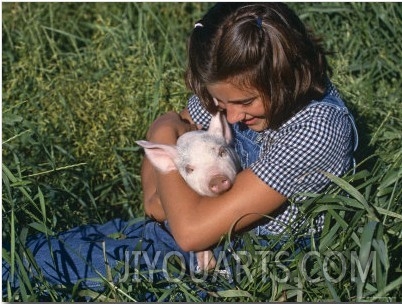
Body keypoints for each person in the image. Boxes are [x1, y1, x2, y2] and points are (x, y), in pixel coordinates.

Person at [2, 2, 358, 299]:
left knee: (41, 272)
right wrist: (161, 192)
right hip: (195, 228)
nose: (230, 115)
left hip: (247, 261)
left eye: (244, 102)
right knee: (52, 250)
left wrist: (163, 143)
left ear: (286, 74)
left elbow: (189, 230)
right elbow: (159, 188)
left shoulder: (316, 130)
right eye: (219, 101)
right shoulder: (242, 89)